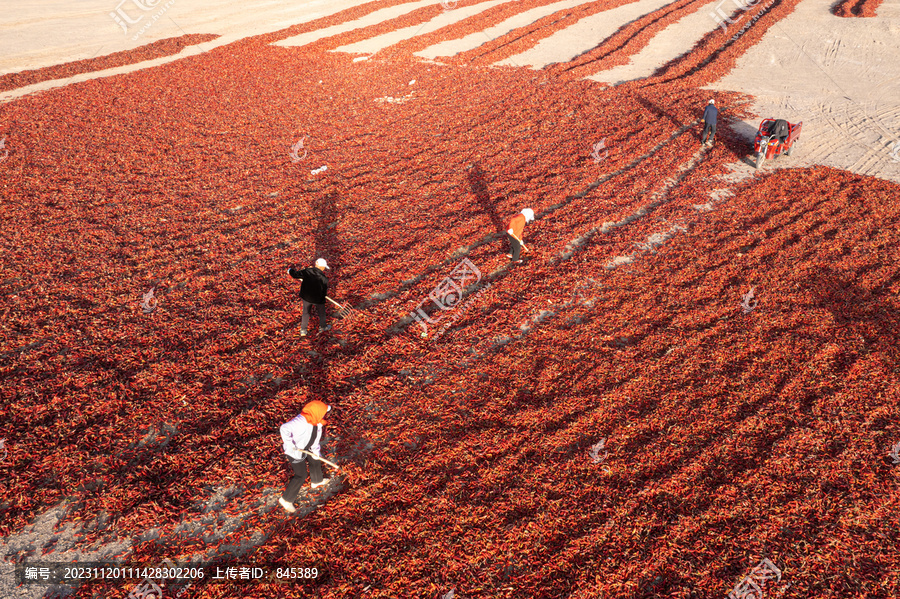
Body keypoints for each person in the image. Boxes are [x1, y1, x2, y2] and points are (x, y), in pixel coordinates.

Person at [279, 400, 332, 513]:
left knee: (315, 460)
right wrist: (291, 445)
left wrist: (316, 452)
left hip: (307, 447)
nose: (324, 414)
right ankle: (286, 500)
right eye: (323, 412)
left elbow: (315, 440)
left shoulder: (317, 422)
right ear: (316, 412)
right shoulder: (300, 420)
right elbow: (284, 428)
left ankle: (316, 481)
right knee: (301, 475)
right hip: (294, 451)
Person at [288, 258, 331, 336]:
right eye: (324, 267)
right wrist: (323, 297)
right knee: (321, 313)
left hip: (306, 297)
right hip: (318, 299)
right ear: (322, 267)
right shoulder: (324, 279)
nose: (324, 268)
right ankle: (323, 327)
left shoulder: (307, 271)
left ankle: (303, 330)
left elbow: (295, 275)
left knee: (306, 313)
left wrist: (290, 270)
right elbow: (324, 292)